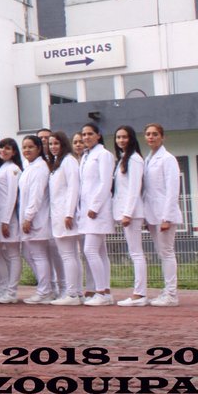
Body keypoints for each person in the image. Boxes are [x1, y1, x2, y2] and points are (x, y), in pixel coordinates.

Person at [143, 123, 181, 307]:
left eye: (155, 134)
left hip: (164, 214)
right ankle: (167, 290)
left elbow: (173, 189)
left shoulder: (168, 159)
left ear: (162, 137)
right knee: (161, 252)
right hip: (152, 214)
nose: (151, 137)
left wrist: (167, 217)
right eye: (148, 134)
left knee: (167, 252)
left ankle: (171, 294)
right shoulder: (148, 159)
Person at [79, 123, 116, 306]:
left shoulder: (104, 155)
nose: (86, 137)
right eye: (84, 134)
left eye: (90, 134)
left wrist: (95, 206)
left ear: (98, 135)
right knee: (100, 252)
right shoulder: (86, 156)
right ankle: (105, 291)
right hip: (88, 210)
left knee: (90, 250)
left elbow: (105, 182)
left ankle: (101, 292)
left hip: (97, 210)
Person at [110, 125, 148, 307]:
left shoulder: (134, 159)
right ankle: (139, 293)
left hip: (132, 213)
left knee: (136, 253)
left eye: (124, 137)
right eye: (118, 137)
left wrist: (127, 213)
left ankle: (139, 294)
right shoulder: (123, 159)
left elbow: (134, 188)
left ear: (131, 138)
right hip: (126, 212)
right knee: (134, 252)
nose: (121, 140)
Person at [48, 132, 84, 306]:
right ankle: (77, 292)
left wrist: (69, 213)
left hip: (65, 215)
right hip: (59, 214)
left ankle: (72, 293)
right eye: (51, 144)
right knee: (71, 255)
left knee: (69, 255)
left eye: (57, 143)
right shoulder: (58, 162)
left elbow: (73, 188)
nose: (53, 147)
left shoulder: (68, 161)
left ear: (64, 144)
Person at [17, 134, 54, 304]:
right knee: (31, 254)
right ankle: (46, 288)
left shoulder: (40, 168)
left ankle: (45, 290)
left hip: (36, 218)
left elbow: (36, 196)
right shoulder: (29, 167)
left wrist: (28, 217)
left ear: (39, 148)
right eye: (24, 147)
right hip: (29, 217)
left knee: (39, 255)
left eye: (30, 147)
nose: (27, 150)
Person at [0, 138, 24, 304]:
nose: (3, 150)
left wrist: (6, 220)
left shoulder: (13, 169)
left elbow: (13, 195)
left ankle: (12, 291)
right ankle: (3, 288)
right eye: (1, 147)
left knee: (13, 254)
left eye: (8, 148)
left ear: (14, 152)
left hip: (8, 217)